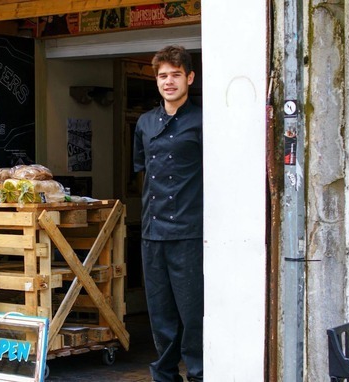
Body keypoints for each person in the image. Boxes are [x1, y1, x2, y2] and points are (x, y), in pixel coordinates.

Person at [133, 45, 203, 382]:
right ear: (156, 80)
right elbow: (141, 171)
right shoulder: (145, 123)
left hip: (189, 231)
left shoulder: (203, 122)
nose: (169, 81)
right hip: (152, 232)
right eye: (163, 75)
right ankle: (164, 375)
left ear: (189, 77)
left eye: (176, 74)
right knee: (160, 313)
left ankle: (199, 374)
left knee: (192, 313)